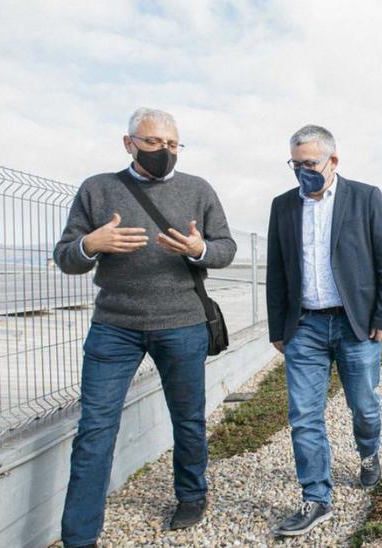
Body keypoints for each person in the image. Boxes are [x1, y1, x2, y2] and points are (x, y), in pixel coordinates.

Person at [52, 107, 237, 547]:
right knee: (96, 428)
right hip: (114, 326)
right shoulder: (97, 189)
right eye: (154, 143)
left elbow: (225, 248)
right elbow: (65, 256)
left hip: (182, 323)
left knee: (188, 419)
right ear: (128, 142)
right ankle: (80, 535)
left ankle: (192, 495)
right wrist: (89, 244)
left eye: (172, 145)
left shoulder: (198, 189)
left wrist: (198, 249)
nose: (164, 152)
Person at [265, 125, 382, 537]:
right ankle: (316, 497)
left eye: (309, 163)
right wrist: (278, 327)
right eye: (295, 163)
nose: (302, 171)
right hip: (304, 325)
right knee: (304, 416)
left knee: (363, 405)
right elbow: (276, 271)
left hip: (354, 323)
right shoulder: (283, 206)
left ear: (332, 161)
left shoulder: (365, 197)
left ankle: (368, 452)